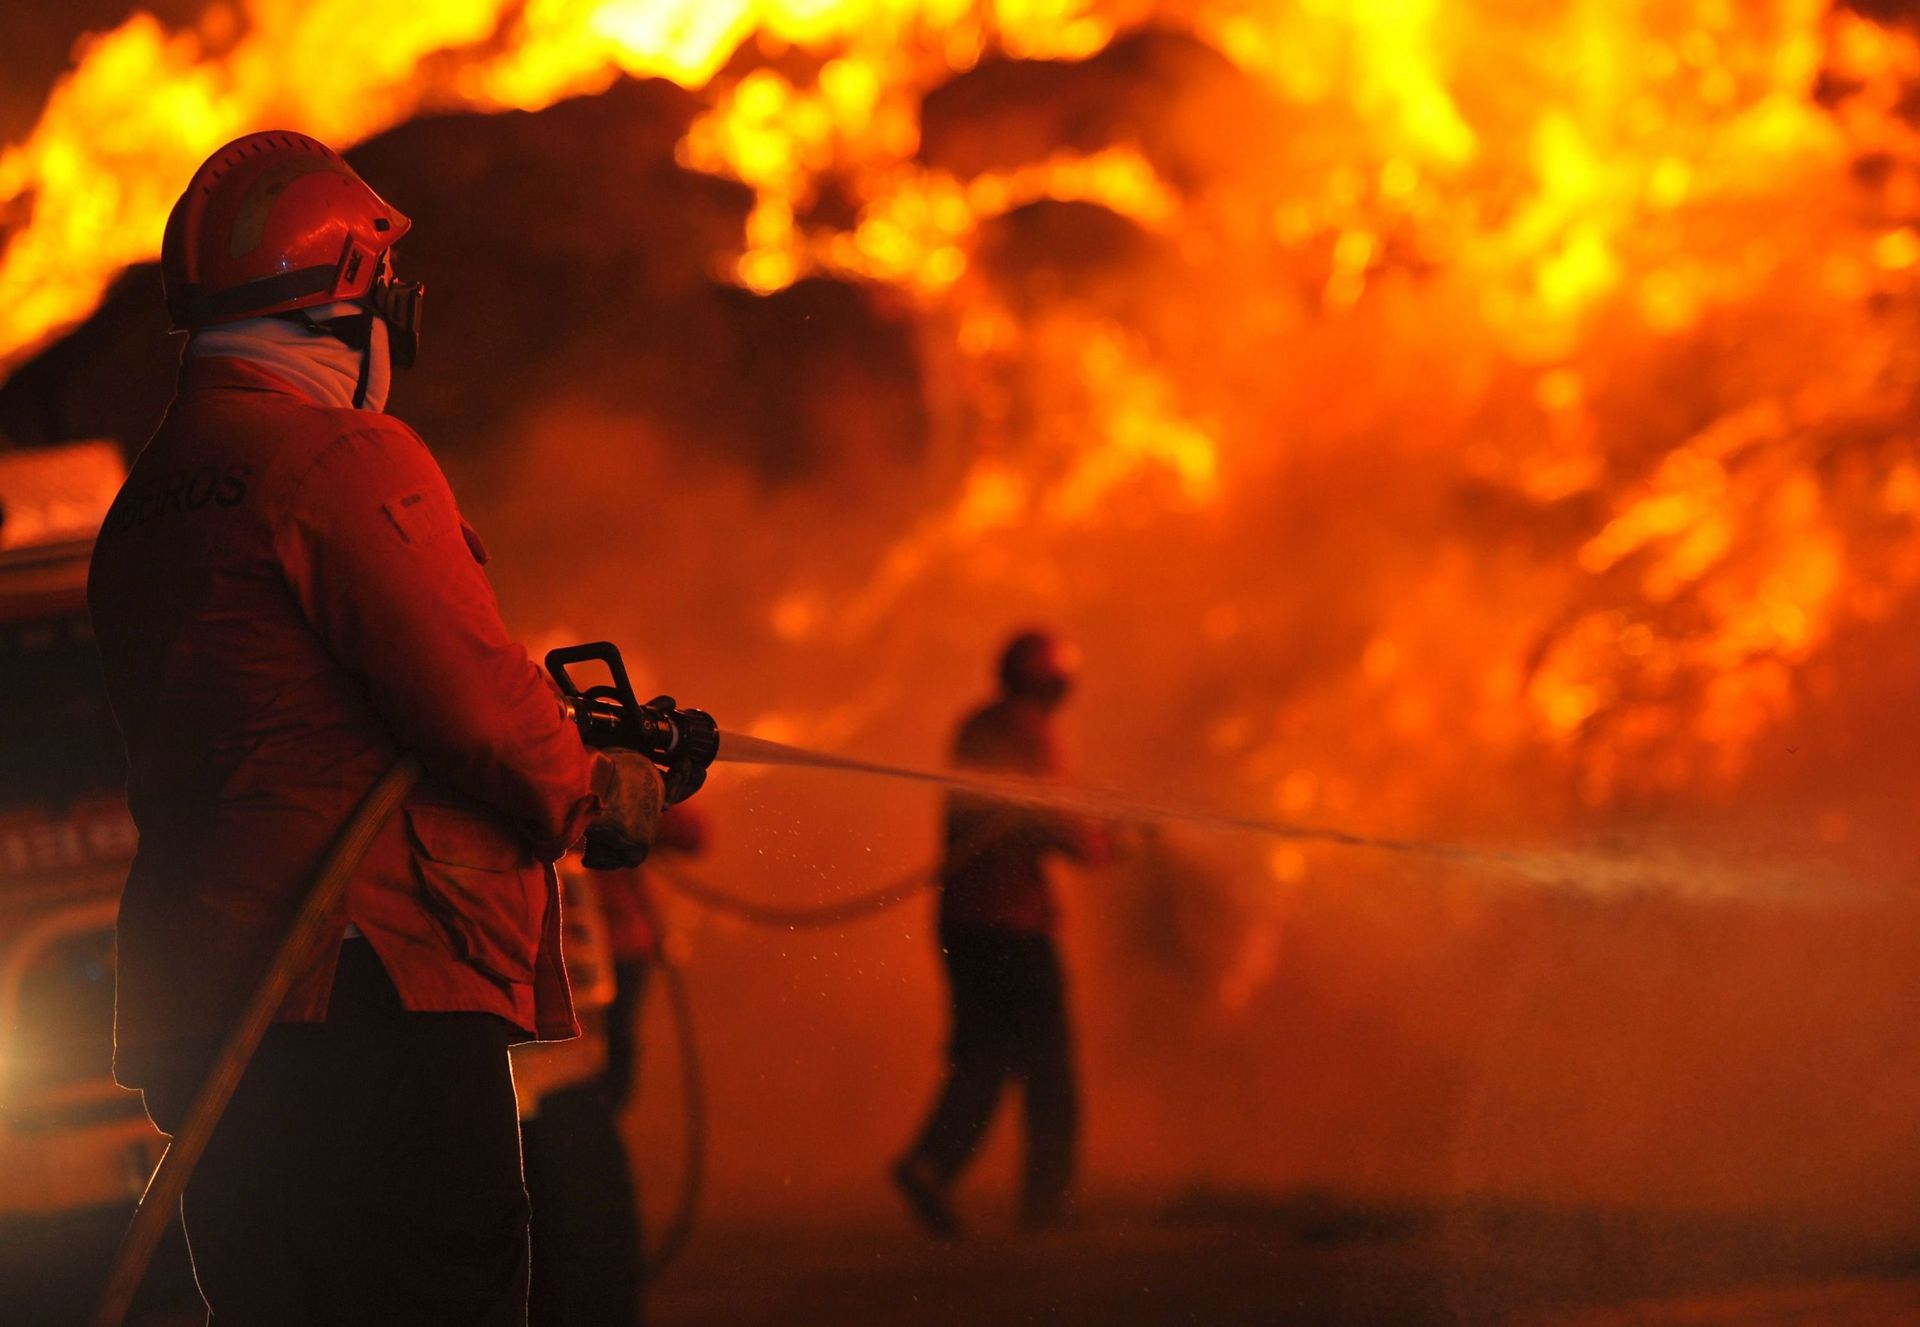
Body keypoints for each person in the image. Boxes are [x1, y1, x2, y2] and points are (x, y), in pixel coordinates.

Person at [87, 130, 662, 1327]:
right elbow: (470, 698)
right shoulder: (340, 456)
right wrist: (594, 789)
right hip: (367, 985)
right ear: (356, 305)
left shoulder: (154, 497)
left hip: (218, 1010)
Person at [892, 629, 1098, 1237]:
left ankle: (931, 1166)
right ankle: (1047, 1208)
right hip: (1015, 925)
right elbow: (1055, 824)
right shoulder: (1028, 730)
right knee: (1049, 1067)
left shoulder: (976, 725)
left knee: (982, 1054)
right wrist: (1107, 841)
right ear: (1049, 682)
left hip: (963, 921)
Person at [523, 802, 708, 1327]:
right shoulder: (570, 754)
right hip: (563, 974)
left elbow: (692, 833)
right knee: (573, 1149)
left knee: (583, 1125)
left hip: (589, 964)